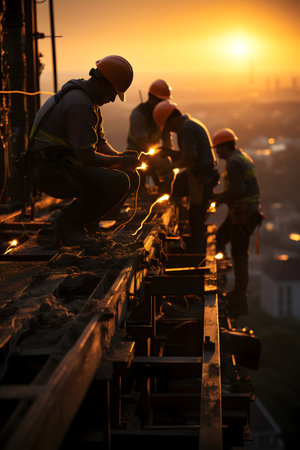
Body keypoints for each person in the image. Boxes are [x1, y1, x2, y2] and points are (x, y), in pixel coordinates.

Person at [26, 55, 140, 246]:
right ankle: (69, 226)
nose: (113, 99)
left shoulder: (89, 101)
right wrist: (120, 163)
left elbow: (99, 143)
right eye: (113, 93)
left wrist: (120, 157)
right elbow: (85, 155)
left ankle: (83, 224)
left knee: (131, 176)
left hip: (63, 166)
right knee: (118, 181)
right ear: (102, 83)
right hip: (51, 171)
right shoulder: (79, 103)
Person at [152, 100, 219, 256]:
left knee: (196, 217)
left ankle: (196, 254)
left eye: (166, 126)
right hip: (202, 174)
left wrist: (168, 167)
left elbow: (189, 158)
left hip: (202, 177)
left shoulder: (186, 129)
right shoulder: (189, 125)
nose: (168, 130)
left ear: (170, 120)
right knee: (184, 197)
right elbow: (187, 155)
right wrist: (169, 153)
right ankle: (194, 249)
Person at [212, 128, 264, 318]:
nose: (217, 152)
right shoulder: (242, 157)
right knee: (221, 237)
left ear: (226, 146)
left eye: (218, 148)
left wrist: (217, 199)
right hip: (245, 211)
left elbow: (239, 190)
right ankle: (224, 270)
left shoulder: (234, 163)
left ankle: (239, 292)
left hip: (242, 213)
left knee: (240, 253)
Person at [127, 79, 176, 193]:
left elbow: (167, 141)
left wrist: (168, 156)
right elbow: (142, 142)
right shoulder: (138, 115)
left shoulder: (162, 116)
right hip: (135, 153)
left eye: (164, 101)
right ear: (151, 97)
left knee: (168, 167)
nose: (162, 104)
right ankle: (139, 194)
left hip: (154, 154)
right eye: (159, 100)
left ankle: (163, 197)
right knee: (137, 181)